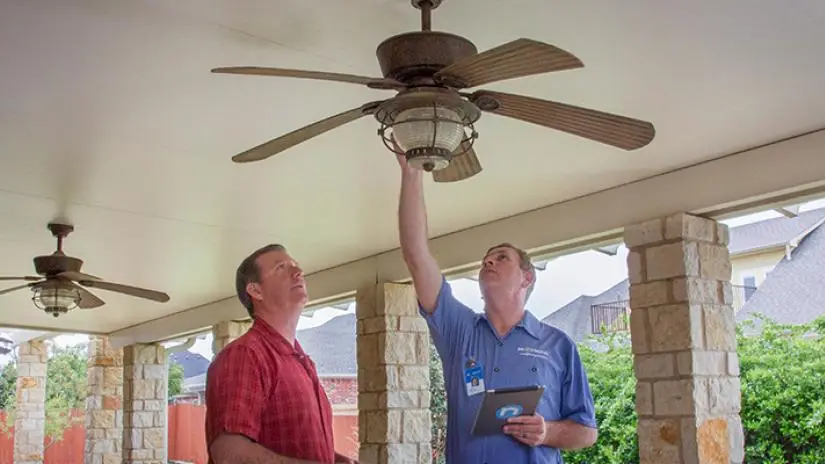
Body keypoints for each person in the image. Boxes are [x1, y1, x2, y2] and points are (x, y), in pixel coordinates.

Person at [395, 154, 598, 463]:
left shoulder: (558, 346)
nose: (488, 262)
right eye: (485, 261)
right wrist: (411, 174)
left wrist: (547, 433)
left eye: (501, 258)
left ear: (526, 278)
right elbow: (416, 256)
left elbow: (586, 432)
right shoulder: (459, 331)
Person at [205, 244, 357, 464]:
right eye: (281, 268)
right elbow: (230, 454)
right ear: (256, 291)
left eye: (296, 267)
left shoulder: (301, 362)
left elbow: (293, 447)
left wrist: (337, 460)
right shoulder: (244, 355)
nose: (298, 272)